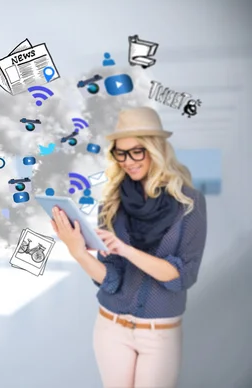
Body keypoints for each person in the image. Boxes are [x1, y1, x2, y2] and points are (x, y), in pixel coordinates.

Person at [51, 106, 207, 388]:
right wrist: (77, 251)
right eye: (120, 153)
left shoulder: (189, 203)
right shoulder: (112, 202)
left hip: (159, 333)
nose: (128, 161)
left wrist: (127, 250)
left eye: (137, 151)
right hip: (111, 327)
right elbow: (110, 280)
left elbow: (183, 275)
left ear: (155, 149)